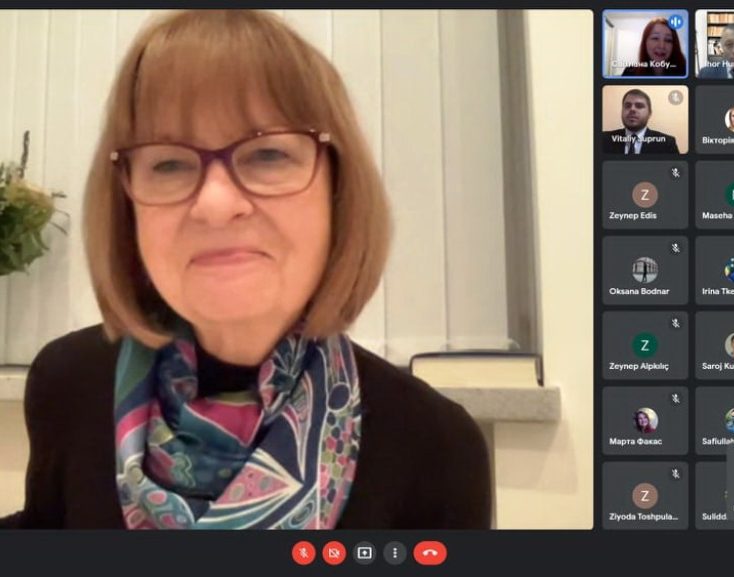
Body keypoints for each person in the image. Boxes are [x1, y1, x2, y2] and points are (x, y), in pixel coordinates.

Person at [0, 9, 491, 530]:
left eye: (268, 154)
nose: (216, 204)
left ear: (339, 190)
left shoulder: (435, 447)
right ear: (127, 206)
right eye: (168, 163)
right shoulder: (70, 384)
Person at [602, 89, 680, 154]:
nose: (632, 109)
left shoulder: (667, 143)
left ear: (649, 113)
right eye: (627, 106)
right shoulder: (603, 139)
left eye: (639, 106)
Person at [621, 17, 687, 77]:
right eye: (655, 38)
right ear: (645, 42)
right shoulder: (629, 73)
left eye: (668, 40)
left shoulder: (685, 72)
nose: (662, 46)